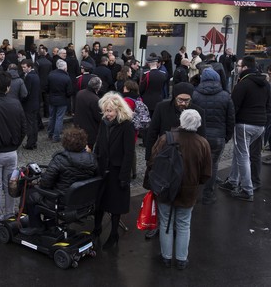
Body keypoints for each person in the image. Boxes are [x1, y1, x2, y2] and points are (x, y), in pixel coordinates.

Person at [148, 110, 212, 270]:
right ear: (198, 123)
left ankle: (166, 257)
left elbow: (152, 162)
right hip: (189, 190)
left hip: (165, 188)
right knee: (184, 224)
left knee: (165, 223)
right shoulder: (203, 143)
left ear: (181, 121)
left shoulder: (165, 139)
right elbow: (206, 174)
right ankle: (182, 259)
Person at [19, 127, 97, 236]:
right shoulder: (92, 158)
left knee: (31, 195)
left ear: (65, 143)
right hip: (81, 202)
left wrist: (38, 182)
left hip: (61, 202)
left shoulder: (60, 159)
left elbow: (45, 183)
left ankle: (36, 226)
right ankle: (51, 225)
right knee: (49, 192)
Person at [219, 56, 271, 202]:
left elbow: (233, 106)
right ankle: (233, 181)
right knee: (240, 151)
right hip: (260, 124)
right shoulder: (265, 83)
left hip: (244, 123)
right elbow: (269, 103)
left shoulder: (244, 83)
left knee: (243, 155)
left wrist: (228, 124)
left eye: (239, 66)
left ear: (245, 67)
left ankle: (247, 189)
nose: (238, 68)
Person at [0, 72, 27, 235]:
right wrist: (16, 143)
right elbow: (23, 128)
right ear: (8, 87)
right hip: (11, 152)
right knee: (10, 186)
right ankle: (10, 216)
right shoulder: (16, 103)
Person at [93, 92, 135, 250]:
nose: (107, 114)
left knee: (115, 205)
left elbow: (128, 153)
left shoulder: (127, 125)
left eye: (110, 111)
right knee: (99, 202)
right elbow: (99, 141)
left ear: (118, 110)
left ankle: (113, 234)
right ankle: (96, 229)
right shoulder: (103, 122)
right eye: (105, 111)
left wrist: (124, 176)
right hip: (102, 168)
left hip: (118, 171)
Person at [192, 68, 235, 205]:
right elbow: (230, 119)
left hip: (197, 136)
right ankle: (208, 196)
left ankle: (191, 195)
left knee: (194, 165)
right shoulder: (225, 96)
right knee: (212, 166)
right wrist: (227, 136)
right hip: (217, 137)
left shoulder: (195, 95)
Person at [47, 59, 73, 142]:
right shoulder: (66, 77)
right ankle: (56, 136)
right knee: (59, 118)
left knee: (52, 117)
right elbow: (69, 92)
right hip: (62, 100)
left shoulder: (51, 75)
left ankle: (50, 134)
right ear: (65, 68)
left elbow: (46, 88)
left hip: (52, 99)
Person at [73, 76, 102, 148]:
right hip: (90, 129)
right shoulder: (95, 99)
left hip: (78, 125)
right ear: (98, 87)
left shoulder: (80, 93)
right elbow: (98, 117)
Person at [21, 59, 41, 150]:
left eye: (24, 67)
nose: (23, 69)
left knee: (30, 125)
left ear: (29, 67)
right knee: (34, 124)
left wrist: (22, 100)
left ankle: (30, 143)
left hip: (29, 104)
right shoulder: (35, 75)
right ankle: (34, 142)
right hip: (35, 103)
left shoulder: (29, 77)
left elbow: (26, 93)